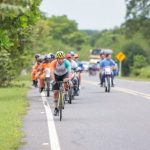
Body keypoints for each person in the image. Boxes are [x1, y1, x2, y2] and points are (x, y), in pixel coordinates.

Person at [50, 51, 72, 116]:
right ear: (56, 59)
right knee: (55, 92)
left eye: (62, 58)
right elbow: (51, 72)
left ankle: (65, 92)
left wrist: (69, 79)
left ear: (63, 58)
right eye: (59, 59)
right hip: (56, 75)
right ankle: (56, 108)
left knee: (66, 83)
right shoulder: (53, 63)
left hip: (64, 75)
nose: (60, 60)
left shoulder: (66, 62)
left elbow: (69, 72)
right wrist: (54, 80)